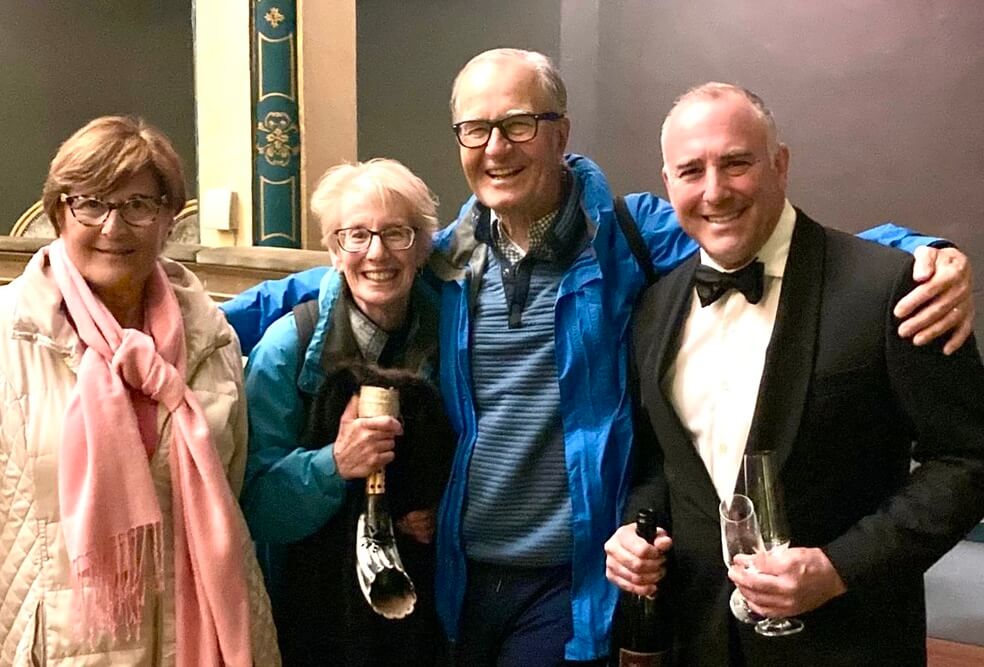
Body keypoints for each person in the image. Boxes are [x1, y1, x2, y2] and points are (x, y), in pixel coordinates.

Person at [221, 49, 974, 665]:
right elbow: (317, 285)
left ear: (560, 132)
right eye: (475, 128)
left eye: (518, 123)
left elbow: (780, 241)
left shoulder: (633, 235)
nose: (495, 146)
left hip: (568, 581)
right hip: (453, 573)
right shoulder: (442, 260)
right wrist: (177, 313)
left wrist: (923, 253)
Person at [605, 83, 984, 666]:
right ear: (668, 184)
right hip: (698, 643)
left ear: (780, 165)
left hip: (849, 643)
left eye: (736, 163)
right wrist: (636, 528)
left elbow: (968, 459)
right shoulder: (655, 308)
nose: (714, 190)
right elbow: (664, 462)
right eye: (691, 170)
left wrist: (839, 569)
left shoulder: (893, 287)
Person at [0, 116, 278, 665]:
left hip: (196, 640)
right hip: (58, 645)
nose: (113, 227)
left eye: (139, 205)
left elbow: (232, 482)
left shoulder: (211, 338)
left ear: (169, 218)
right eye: (90, 202)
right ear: (58, 213)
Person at [239, 158, 452, 665]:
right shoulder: (287, 349)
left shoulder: (451, 337)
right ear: (334, 250)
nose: (376, 253)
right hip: (313, 608)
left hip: (424, 611)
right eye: (355, 235)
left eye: (396, 233)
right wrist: (334, 464)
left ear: (423, 247)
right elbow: (253, 503)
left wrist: (444, 511)